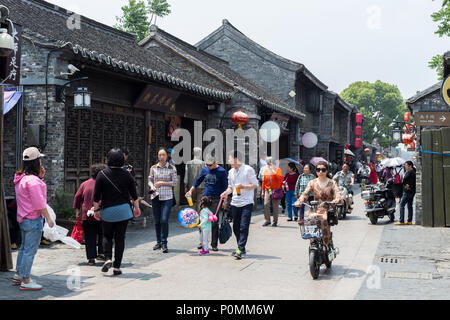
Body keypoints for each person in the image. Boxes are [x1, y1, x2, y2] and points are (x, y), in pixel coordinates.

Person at [12, 147, 55, 291]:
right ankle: (26, 280)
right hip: (33, 219)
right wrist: (48, 218)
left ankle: (19, 274)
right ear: (36, 162)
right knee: (30, 250)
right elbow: (39, 203)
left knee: (24, 248)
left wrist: (40, 177)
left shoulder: (20, 178)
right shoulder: (33, 181)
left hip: (23, 218)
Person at [93, 148, 141, 276]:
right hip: (124, 211)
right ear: (122, 160)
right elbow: (134, 195)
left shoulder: (101, 175)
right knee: (120, 238)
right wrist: (137, 208)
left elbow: (96, 196)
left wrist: (96, 210)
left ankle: (108, 258)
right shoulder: (127, 174)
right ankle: (117, 267)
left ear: (108, 159)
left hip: (108, 211)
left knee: (107, 236)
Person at [220, 151, 258, 260]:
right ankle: (241, 247)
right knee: (236, 227)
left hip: (246, 202)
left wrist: (244, 187)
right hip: (235, 202)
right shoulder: (231, 172)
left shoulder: (248, 169)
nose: (228, 161)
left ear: (236, 159)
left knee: (243, 226)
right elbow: (230, 187)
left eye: (230, 158)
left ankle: (240, 249)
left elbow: (255, 184)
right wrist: (225, 193)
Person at [296, 161, 342, 250]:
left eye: (323, 170)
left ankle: (327, 245)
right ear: (316, 171)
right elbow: (305, 193)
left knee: (324, 222)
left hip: (328, 208)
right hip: (315, 208)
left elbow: (337, 193)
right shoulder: (312, 182)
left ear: (327, 171)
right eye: (318, 169)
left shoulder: (332, 182)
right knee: (309, 223)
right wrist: (300, 201)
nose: (320, 172)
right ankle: (313, 242)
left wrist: (337, 199)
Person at [185, 155, 228, 251]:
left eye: (210, 165)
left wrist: (225, 201)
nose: (208, 167)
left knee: (214, 221)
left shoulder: (222, 171)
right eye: (207, 165)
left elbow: (225, 187)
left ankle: (214, 244)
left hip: (217, 198)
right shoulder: (205, 170)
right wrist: (191, 190)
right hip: (205, 198)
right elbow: (198, 181)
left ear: (215, 163)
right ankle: (202, 241)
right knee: (202, 221)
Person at [73, 163, 107, 266]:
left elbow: (77, 197)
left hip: (86, 215)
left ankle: (91, 259)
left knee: (89, 237)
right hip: (101, 214)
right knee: (103, 234)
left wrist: (77, 211)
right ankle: (101, 253)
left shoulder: (85, 184)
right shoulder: (104, 184)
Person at [148, 147, 178, 253]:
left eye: (163, 155)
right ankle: (158, 242)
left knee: (164, 220)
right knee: (157, 221)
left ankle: (164, 243)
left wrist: (162, 183)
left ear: (167, 156)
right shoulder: (153, 167)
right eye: (160, 155)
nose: (161, 157)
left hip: (167, 197)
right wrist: (151, 186)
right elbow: (150, 179)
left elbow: (174, 182)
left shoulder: (172, 168)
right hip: (155, 196)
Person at [261, 157, 283, 227]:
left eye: (270, 163)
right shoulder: (266, 171)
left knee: (275, 206)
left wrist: (273, 171)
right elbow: (264, 181)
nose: (269, 164)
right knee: (266, 204)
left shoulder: (278, 170)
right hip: (268, 190)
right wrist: (262, 191)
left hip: (276, 190)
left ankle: (275, 221)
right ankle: (267, 220)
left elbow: (279, 178)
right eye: (268, 163)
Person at [184, 147, 205, 213]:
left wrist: (185, 186)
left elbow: (186, 176)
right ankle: (198, 219)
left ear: (193, 153)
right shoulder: (203, 163)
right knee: (199, 204)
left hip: (191, 186)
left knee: (191, 203)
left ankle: (192, 218)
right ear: (200, 154)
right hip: (201, 186)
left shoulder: (188, 163)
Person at [395, 161, 416, 225]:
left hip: (408, 191)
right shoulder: (413, 172)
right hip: (411, 191)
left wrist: (408, 186)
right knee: (409, 205)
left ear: (410, 166)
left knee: (401, 205)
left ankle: (401, 221)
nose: (405, 166)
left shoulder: (410, 172)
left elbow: (406, 181)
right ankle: (409, 220)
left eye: (406, 165)